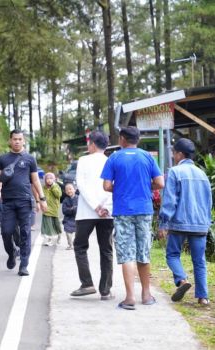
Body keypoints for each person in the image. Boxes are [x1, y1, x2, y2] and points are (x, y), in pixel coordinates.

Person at [101, 126, 164, 310]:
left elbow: (106, 186)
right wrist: (145, 186)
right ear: (138, 140)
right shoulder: (147, 157)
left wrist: (120, 188)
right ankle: (146, 295)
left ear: (122, 139)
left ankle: (130, 298)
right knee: (143, 251)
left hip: (123, 211)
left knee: (126, 253)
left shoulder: (114, 157)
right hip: (144, 210)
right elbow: (160, 183)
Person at [158, 138, 212, 306]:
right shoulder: (202, 174)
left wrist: (163, 223)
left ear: (180, 154)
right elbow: (209, 201)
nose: (173, 156)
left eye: (174, 153)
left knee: (172, 254)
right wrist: (206, 222)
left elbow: (169, 201)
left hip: (179, 222)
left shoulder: (175, 172)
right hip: (200, 223)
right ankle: (203, 297)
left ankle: (182, 281)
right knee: (199, 260)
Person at [0, 129, 48, 276]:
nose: (17, 141)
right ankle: (11, 253)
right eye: (14, 139)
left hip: (25, 201)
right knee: (6, 232)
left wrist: (41, 199)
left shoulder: (29, 159)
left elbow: (35, 180)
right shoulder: (3, 158)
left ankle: (23, 264)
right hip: (8, 202)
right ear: (10, 140)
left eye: (20, 139)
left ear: (23, 141)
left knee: (25, 233)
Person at [70, 131, 115, 300]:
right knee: (106, 250)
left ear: (93, 144)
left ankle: (87, 283)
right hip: (107, 213)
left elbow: (80, 185)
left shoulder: (83, 160)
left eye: (89, 143)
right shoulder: (111, 160)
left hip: (86, 212)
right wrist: (105, 207)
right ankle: (105, 290)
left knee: (80, 246)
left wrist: (95, 207)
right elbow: (113, 186)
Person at [41, 172, 62, 246]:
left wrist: (53, 186)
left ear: (54, 179)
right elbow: (41, 197)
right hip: (46, 209)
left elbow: (58, 195)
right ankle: (50, 240)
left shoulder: (56, 186)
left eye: (51, 178)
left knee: (56, 224)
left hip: (54, 209)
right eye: (47, 179)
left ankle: (59, 235)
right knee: (48, 225)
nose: (49, 180)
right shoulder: (43, 187)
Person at [61, 183, 78, 250]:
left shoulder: (78, 198)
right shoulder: (65, 200)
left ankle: (76, 244)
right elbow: (64, 211)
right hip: (68, 219)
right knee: (68, 232)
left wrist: (75, 209)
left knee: (78, 234)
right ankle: (70, 245)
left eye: (70, 189)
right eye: (67, 190)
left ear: (75, 189)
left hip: (77, 219)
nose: (69, 191)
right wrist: (72, 209)